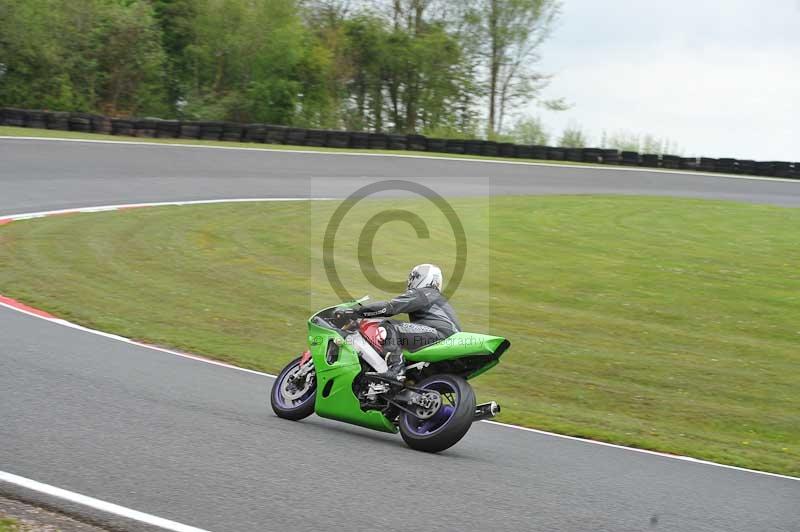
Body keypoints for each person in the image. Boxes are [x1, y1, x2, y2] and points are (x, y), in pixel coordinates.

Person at [352, 264, 461, 381]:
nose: (410, 281)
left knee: (389, 327)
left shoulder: (423, 293)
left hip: (439, 334)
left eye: (413, 278)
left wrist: (358, 312)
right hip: (450, 337)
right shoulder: (437, 297)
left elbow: (390, 307)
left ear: (421, 278)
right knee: (402, 335)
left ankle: (396, 370)